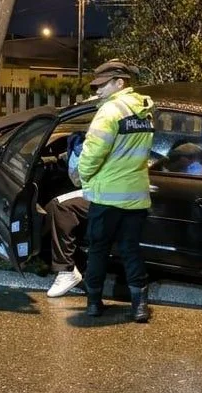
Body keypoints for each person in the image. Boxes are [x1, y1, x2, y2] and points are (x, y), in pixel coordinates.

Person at [78, 60, 155, 322]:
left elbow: (92, 153)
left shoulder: (110, 111)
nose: (97, 90)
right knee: (131, 249)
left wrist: (82, 175)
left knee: (98, 250)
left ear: (120, 83)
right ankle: (140, 307)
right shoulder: (145, 111)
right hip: (136, 196)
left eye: (102, 85)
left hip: (107, 196)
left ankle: (93, 304)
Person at [44, 132, 90, 298]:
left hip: (108, 193)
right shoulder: (142, 123)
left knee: (58, 206)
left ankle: (66, 270)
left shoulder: (111, 121)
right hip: (131, 190)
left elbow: (79, 177)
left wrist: (77, 154)